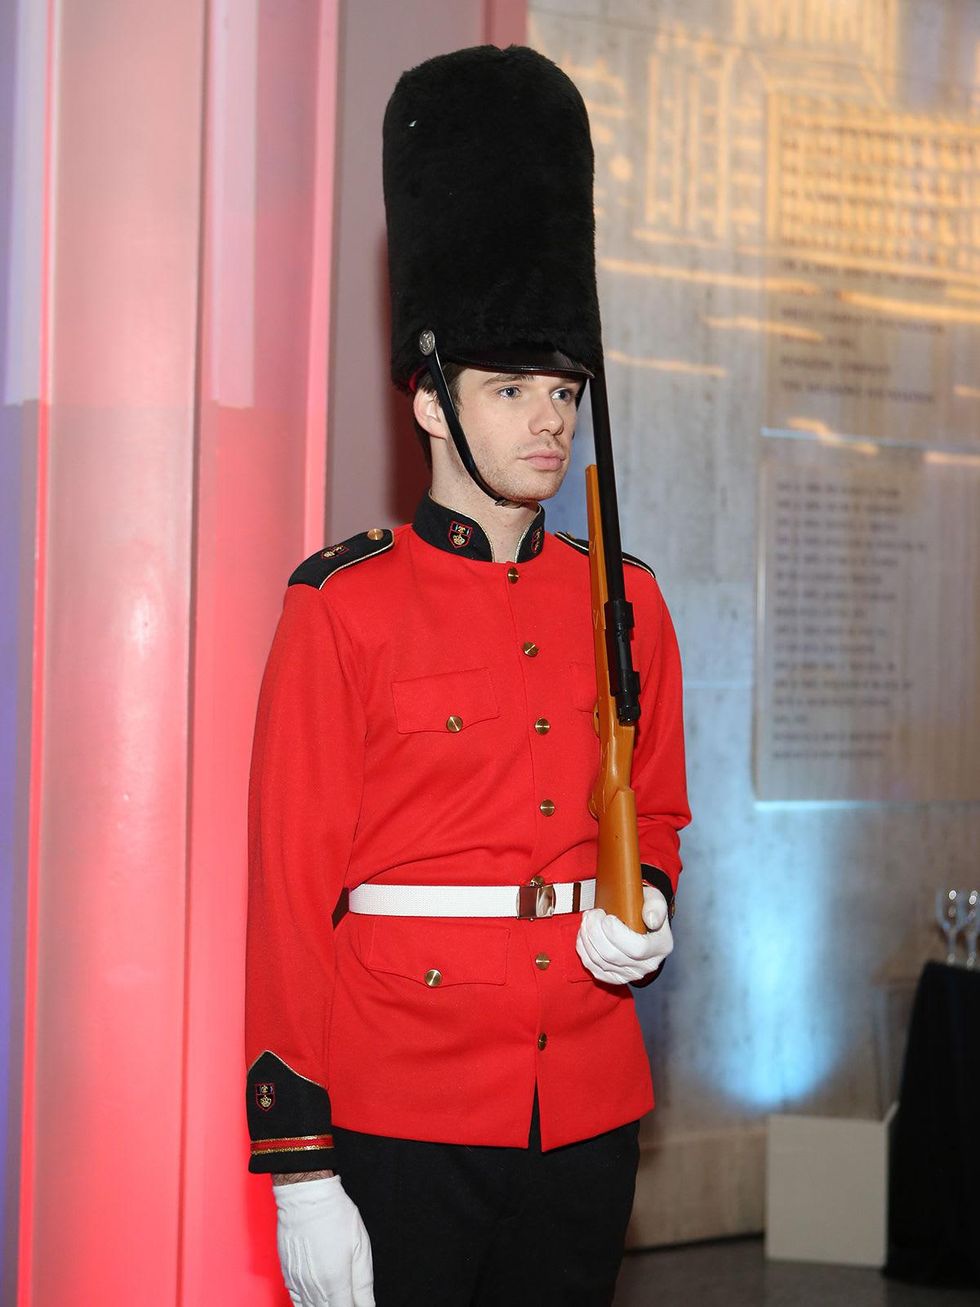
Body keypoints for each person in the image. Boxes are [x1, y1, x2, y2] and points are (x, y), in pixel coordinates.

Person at [245, 45, 689, 1307]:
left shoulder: (629, 596)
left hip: (591, 1106)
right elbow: (287, 899)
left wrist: (643, 899)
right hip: (401, 1108)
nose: (549, 420)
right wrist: (297, 1166)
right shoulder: (341, 606)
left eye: (562, 391)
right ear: (432, 402)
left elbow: (653, 806)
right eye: (510, 390)